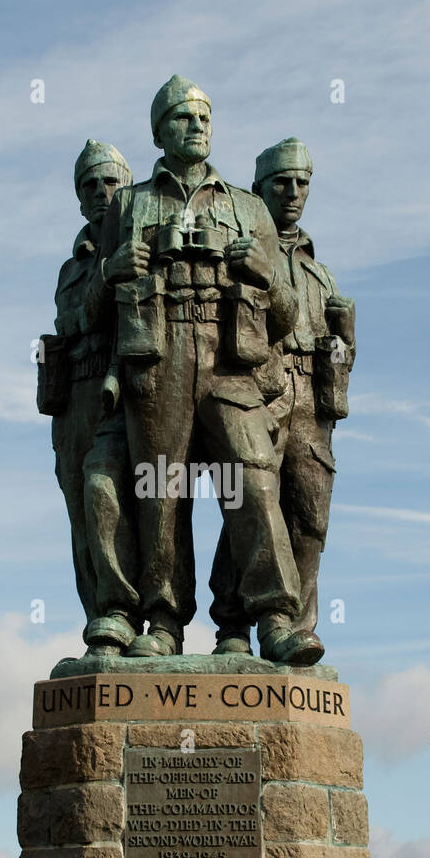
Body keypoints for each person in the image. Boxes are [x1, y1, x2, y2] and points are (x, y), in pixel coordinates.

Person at [96, 78, 323, 665]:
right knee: (161, 492)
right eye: (180, 118)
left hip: (228, 361)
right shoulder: (128, 205)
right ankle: (164, 620)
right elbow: (90, 315)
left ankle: (274, 617)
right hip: (159, 356)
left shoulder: (248, 207)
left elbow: (287, 314)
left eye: (203, 117)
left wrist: (268, 276)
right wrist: (112, 270)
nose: (195, 126)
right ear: (157, 132)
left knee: (251, 478)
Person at [209, 138, 355, 653]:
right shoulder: (243, 252)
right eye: (281, 182)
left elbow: (343, 355)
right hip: (262, 389)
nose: (293, 193)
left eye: (302, 183)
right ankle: (232, 622)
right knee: (252, 501)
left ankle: (300, 627)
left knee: (310, 516)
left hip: (312, 398)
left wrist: (343, 346)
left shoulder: (321, 272)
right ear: (258, 191)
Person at [44, 141, 141, 655]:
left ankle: (129, 614)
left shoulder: (141, 250)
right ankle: (101, 620)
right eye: (90, 185)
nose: (101, 192)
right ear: (79, 198)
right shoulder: (72, 267)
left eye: (110, 182)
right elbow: (76, 320)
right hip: (73, 399)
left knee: (121, 499)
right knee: (82, 513)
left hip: (126, 391)